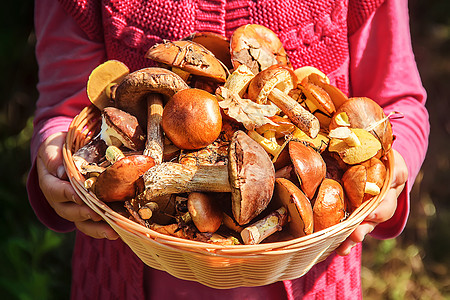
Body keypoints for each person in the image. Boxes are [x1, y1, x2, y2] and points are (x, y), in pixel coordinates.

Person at [28, 0, 429, 299]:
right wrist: (53, 150)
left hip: (312, 272)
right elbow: (68, 103)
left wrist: (396, 169)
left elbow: (399, 105)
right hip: (128, 259)